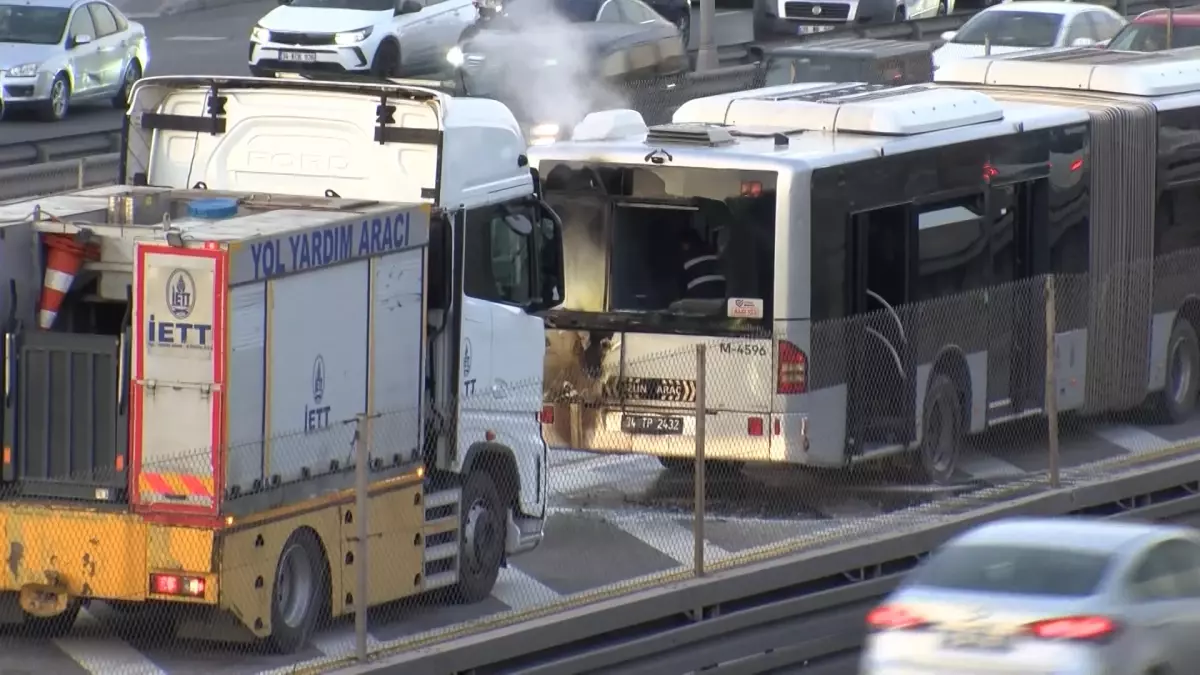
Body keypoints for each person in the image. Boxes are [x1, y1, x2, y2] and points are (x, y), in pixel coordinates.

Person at [679, 228, 726, 300]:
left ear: (685, 245)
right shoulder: (715, 255)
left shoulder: (685, 261)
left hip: (700, 298)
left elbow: (681, 288)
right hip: (723, 296)